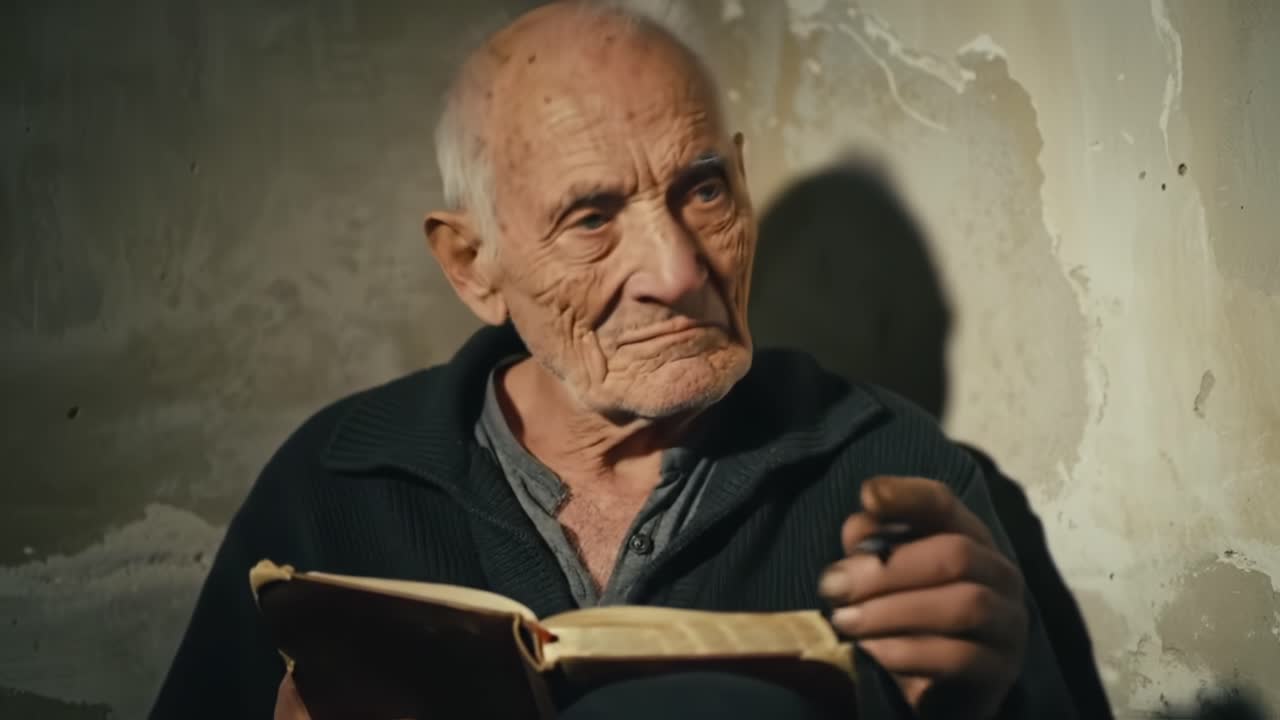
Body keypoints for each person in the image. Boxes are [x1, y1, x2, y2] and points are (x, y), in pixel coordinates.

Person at [150, 2, 1081, 718]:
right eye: (593, 217)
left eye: (704, 189)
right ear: (474, 267)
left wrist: (993, 700)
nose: (678, 272)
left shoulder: (890, 466)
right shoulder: (335, 480)